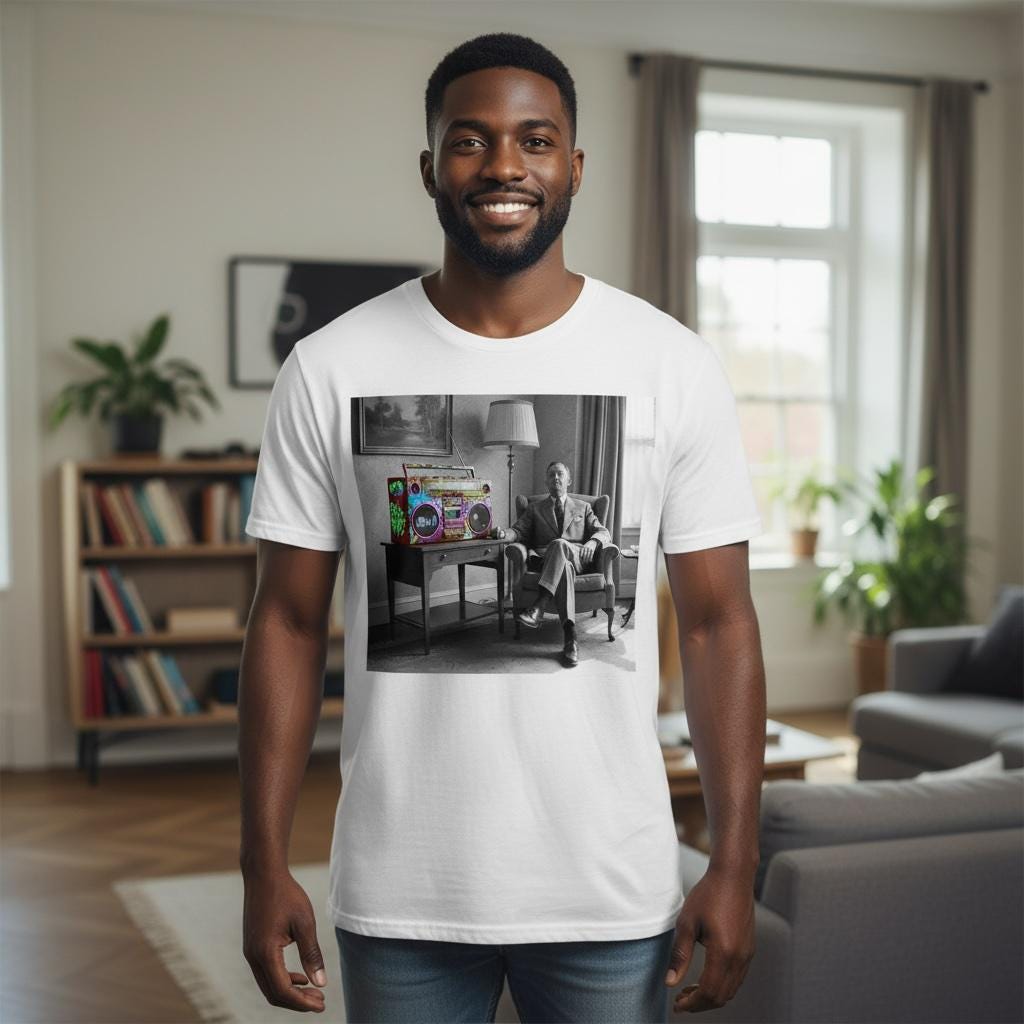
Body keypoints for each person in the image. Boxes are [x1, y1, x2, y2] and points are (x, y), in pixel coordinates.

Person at [239, 30, 766, 1023]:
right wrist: (261, 864)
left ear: (575, 165)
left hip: (610, 891)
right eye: (470, 140)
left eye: (536, 139)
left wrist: (735, 863)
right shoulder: (329, 365)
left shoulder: (671, 363)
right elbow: (288, 624)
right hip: (400, 890)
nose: (504, 165)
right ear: (430, 167)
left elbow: (717, 625)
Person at [497, 459, 611, 667]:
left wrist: (593, 542)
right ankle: (570, 638)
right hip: (545, 561)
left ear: (569, 480)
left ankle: (539, 605)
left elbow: (603, 532)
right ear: (546, 482)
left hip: (578, 559)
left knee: (560, 544)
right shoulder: (534, 509)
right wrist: (503, 534)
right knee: (563, 564)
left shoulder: (584, 507)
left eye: (560, 474)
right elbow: (518, 531)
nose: (555, 478)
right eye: (551, 475)